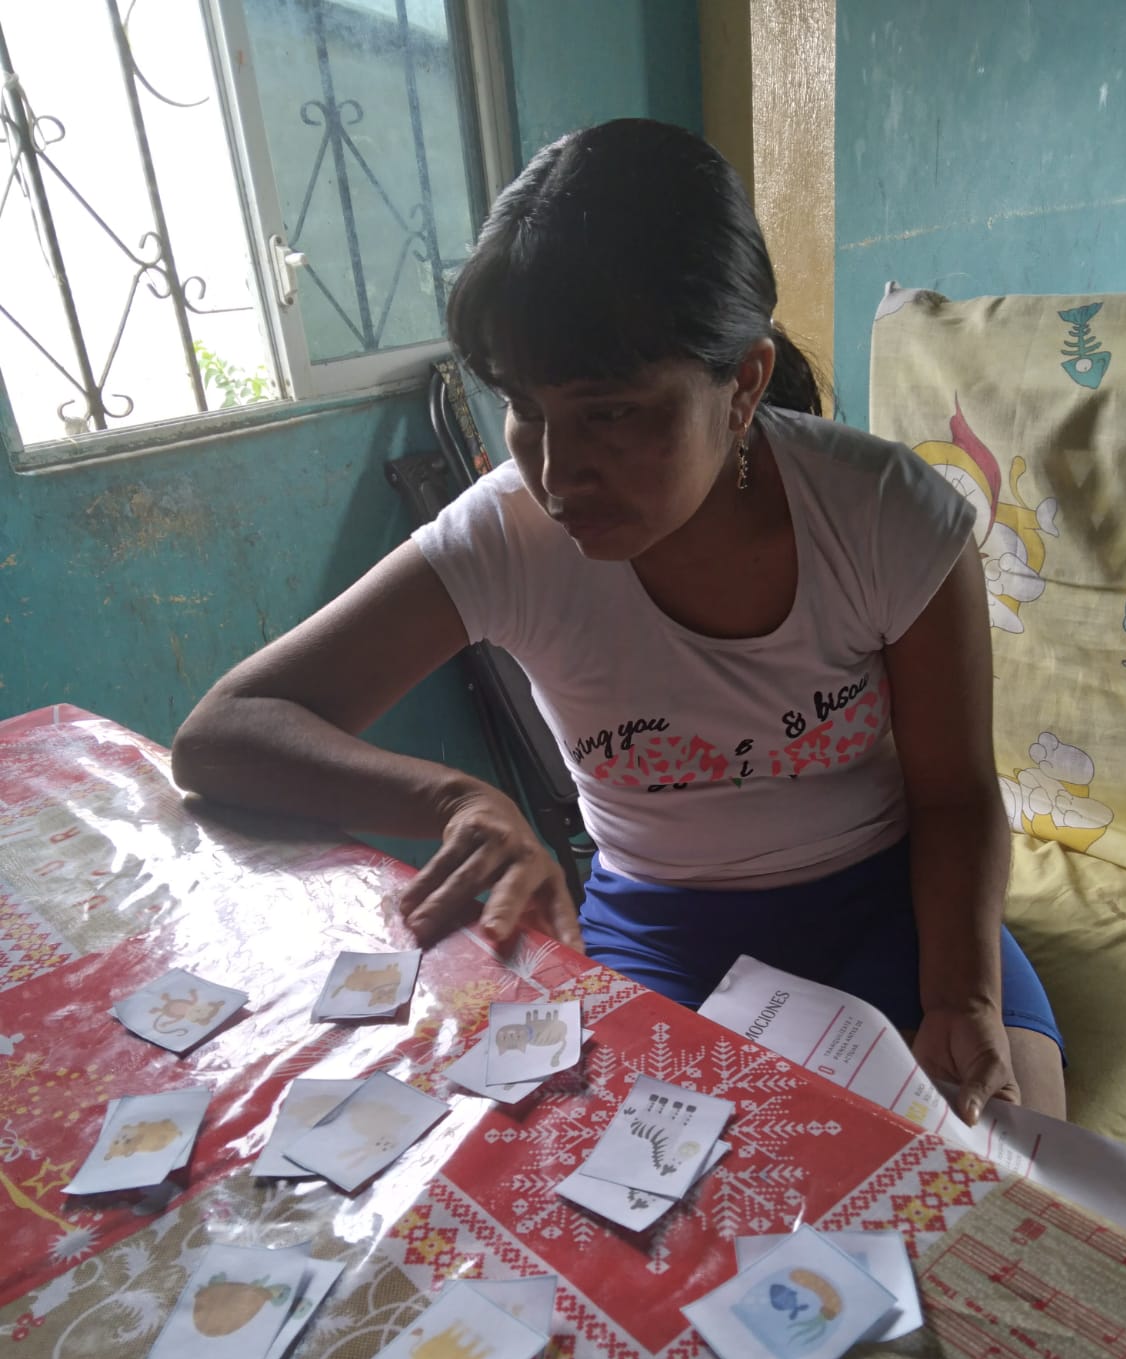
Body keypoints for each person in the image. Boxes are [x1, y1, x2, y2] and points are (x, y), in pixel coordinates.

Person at [172, 119, 1066, 1126]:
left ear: (744, 384)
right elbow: (226, 732)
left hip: (897, 905)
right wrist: (456, 799)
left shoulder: (884, 516)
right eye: (523, 406)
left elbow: (954, 796)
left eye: (611, 413)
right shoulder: (505, 538)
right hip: (665, 929)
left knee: (1022, 1172)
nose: (557, 472)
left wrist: (960, 999)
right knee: (630, 1185)